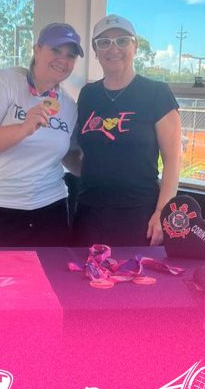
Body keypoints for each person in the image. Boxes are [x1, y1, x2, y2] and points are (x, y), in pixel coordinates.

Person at [0, 22, 84, 247]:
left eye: (71, 55)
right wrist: (23, 128)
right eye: (55, 50)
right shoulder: (3, 82)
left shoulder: (69, 105)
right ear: (37, 49)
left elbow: (69, 156)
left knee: (50, 271)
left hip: (50, 211)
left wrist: (108, 173)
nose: (63, 59)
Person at [73, 14, 182, 246]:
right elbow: (78, 152)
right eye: (104, 42)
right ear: (95, 50)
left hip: (139, 214)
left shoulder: (157, 93)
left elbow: (173, 159)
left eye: (122, 41)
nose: (113, 49)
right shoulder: (88, 95)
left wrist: (162, 212)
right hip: (88, 213)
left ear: (135, 46)